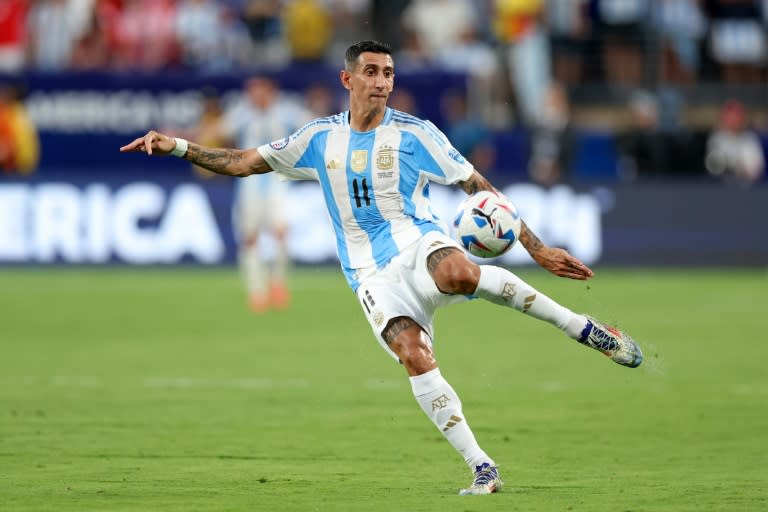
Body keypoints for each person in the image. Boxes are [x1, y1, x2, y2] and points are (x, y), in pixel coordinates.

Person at [120, 40, 644, 496]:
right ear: (348, 79)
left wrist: (536, 246)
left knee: (458, 273)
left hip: (420, 242)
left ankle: (584, 328)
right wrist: (177, 146)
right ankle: (482, 466)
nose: (382, 82)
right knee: (414, 356)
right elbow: (241, 162)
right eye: (371, 72)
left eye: (389, 73)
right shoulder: (318, 138)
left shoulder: (417, 134)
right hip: (369, 275)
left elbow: (477, 186)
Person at [222, 76, 310, 312]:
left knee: (281, 232)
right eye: (251, 92)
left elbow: (312, 128)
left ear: (270, 92)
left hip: (278, 183)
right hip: (248, 186)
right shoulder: (241, 114)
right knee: (249, 237)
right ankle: (257, 291)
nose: (255, 96)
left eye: (259, 91)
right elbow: (220, 131)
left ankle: (277, 283)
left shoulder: (287, 112)